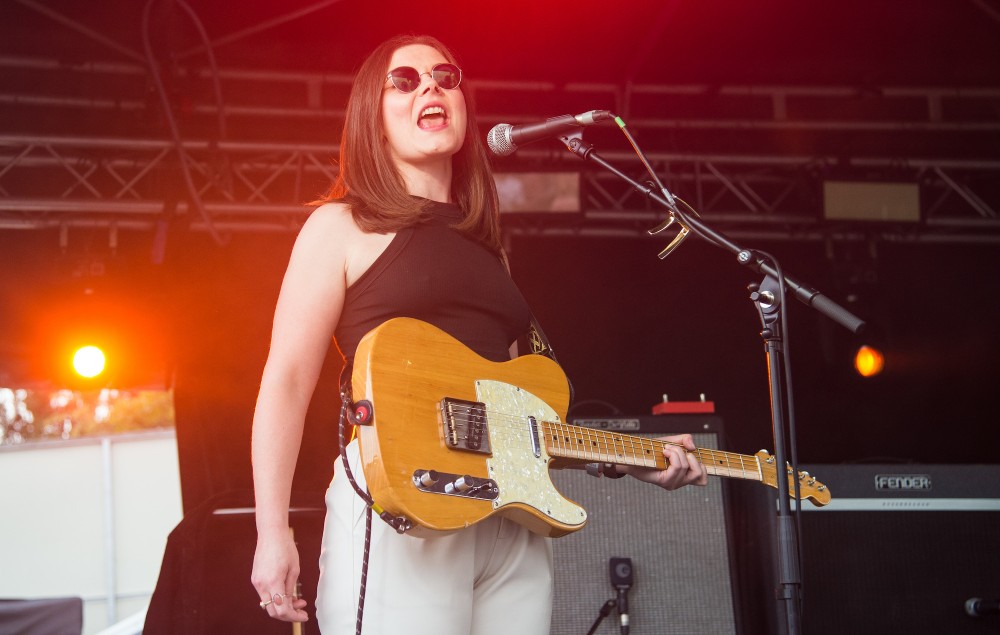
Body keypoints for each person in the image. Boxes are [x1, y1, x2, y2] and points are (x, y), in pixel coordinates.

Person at [250, 34, 708, 635]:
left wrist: (630, 463)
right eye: (406, 81)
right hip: (409, 507)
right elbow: (286, 381)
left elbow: (522, 421)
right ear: (372, 116)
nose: (431, 87)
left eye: (445, 77)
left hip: (510, 521)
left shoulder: (490, 249)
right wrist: (271, 532)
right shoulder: (340, 225)